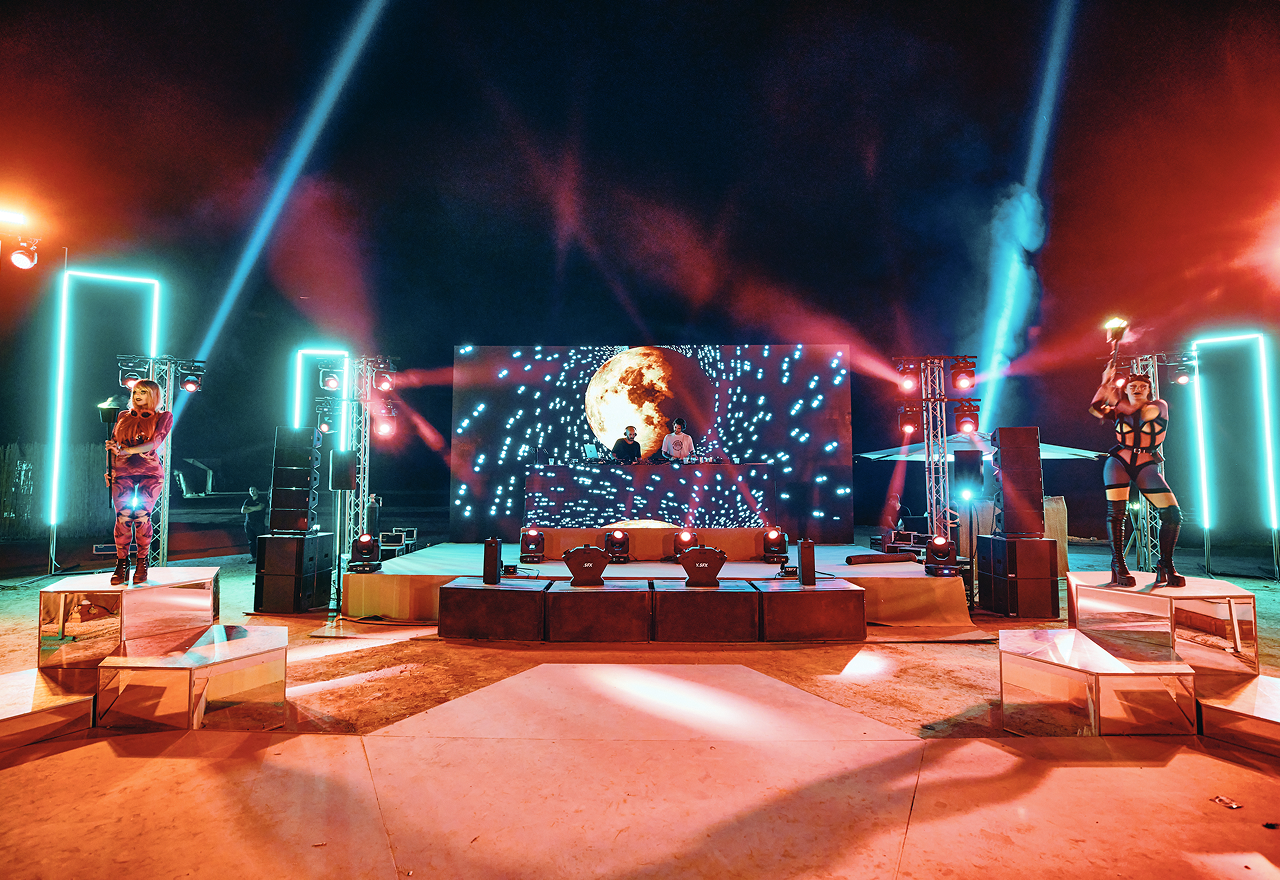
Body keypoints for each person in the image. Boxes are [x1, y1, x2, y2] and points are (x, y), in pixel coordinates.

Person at [1089, 367, 1185, 587]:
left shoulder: (1158, 406)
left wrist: (1114, 398)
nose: (1138, 389)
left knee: (1172, 514)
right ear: (1128, 390)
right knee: (1117, 514)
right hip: (1119, 462)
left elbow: (1142, 415)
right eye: (1133, 387)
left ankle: (1166, 565)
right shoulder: (1119, 409)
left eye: (1143, 387)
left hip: (1145, 464)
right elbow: (1095, 409)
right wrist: (1104, 384)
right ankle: (1118, 564)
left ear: (1150, 390)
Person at [104, 379, 173, 585]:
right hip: (122, 471)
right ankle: (121, 563)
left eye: (143, 391)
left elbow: (154, 443)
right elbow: (114, 445)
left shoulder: (163, 417)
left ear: (153, 395)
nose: (137, 395)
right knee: (123, 517)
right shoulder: (123, 416)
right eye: (135, 391)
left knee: (141, 517)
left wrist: (126, 450)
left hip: (149, 473)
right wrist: (110, 463)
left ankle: (142, 562)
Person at [242, 486, 267, 563]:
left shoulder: (262, 499)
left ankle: (262, 557)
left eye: (253, 490)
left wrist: (249, 509)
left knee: (261, 541)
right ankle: (254, 557)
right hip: (248, 524)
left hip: (259, 524)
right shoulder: (247, 500)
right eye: (250, 490)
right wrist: (255, 508)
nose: (252, 492)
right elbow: (243, 510)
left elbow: (260, 507)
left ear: (257, 491)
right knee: (251, 541)